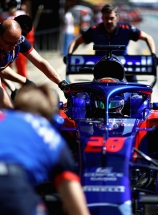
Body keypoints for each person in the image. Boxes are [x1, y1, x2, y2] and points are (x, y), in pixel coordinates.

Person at [0, 84, 90, 215]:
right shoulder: (49, 135)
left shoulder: (4, 118)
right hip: (12, 189)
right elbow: (75, 204)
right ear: (53, 118)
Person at [67, 4, 158, 81]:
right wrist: (69, 55)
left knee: (140, 94)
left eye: (111, 18)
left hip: (126, 68)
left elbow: (148, 38)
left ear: (117, 17)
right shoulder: (95, 30)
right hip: (101, 69)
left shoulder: (126, 28)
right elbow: (76, 42)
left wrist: (153, 55)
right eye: (106, 18)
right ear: (102, 18)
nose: (109, 21)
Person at [0, 19, 67, 108]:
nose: (12, 48)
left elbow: (40, 62)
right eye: (9, 43)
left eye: (16, 43)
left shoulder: (18, 40)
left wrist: (62, 84)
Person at [0, 0, 35, 78]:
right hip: (6, 46)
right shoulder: (3, 15)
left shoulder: (22, 15)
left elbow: (29, 33)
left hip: (19, 45)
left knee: (21, 66)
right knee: (4, 68)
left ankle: (25, 87)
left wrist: (29, 43)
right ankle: (5, 86)